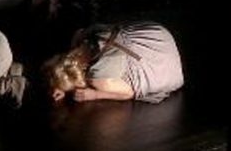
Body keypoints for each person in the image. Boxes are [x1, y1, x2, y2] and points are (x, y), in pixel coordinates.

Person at [44, 21, 184, 103]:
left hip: (165, 71)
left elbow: (128, 93)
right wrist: (61, 83)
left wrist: (96, 95)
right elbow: (69, 59)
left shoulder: (99, 79)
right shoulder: (87, 37)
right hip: (159, 37)